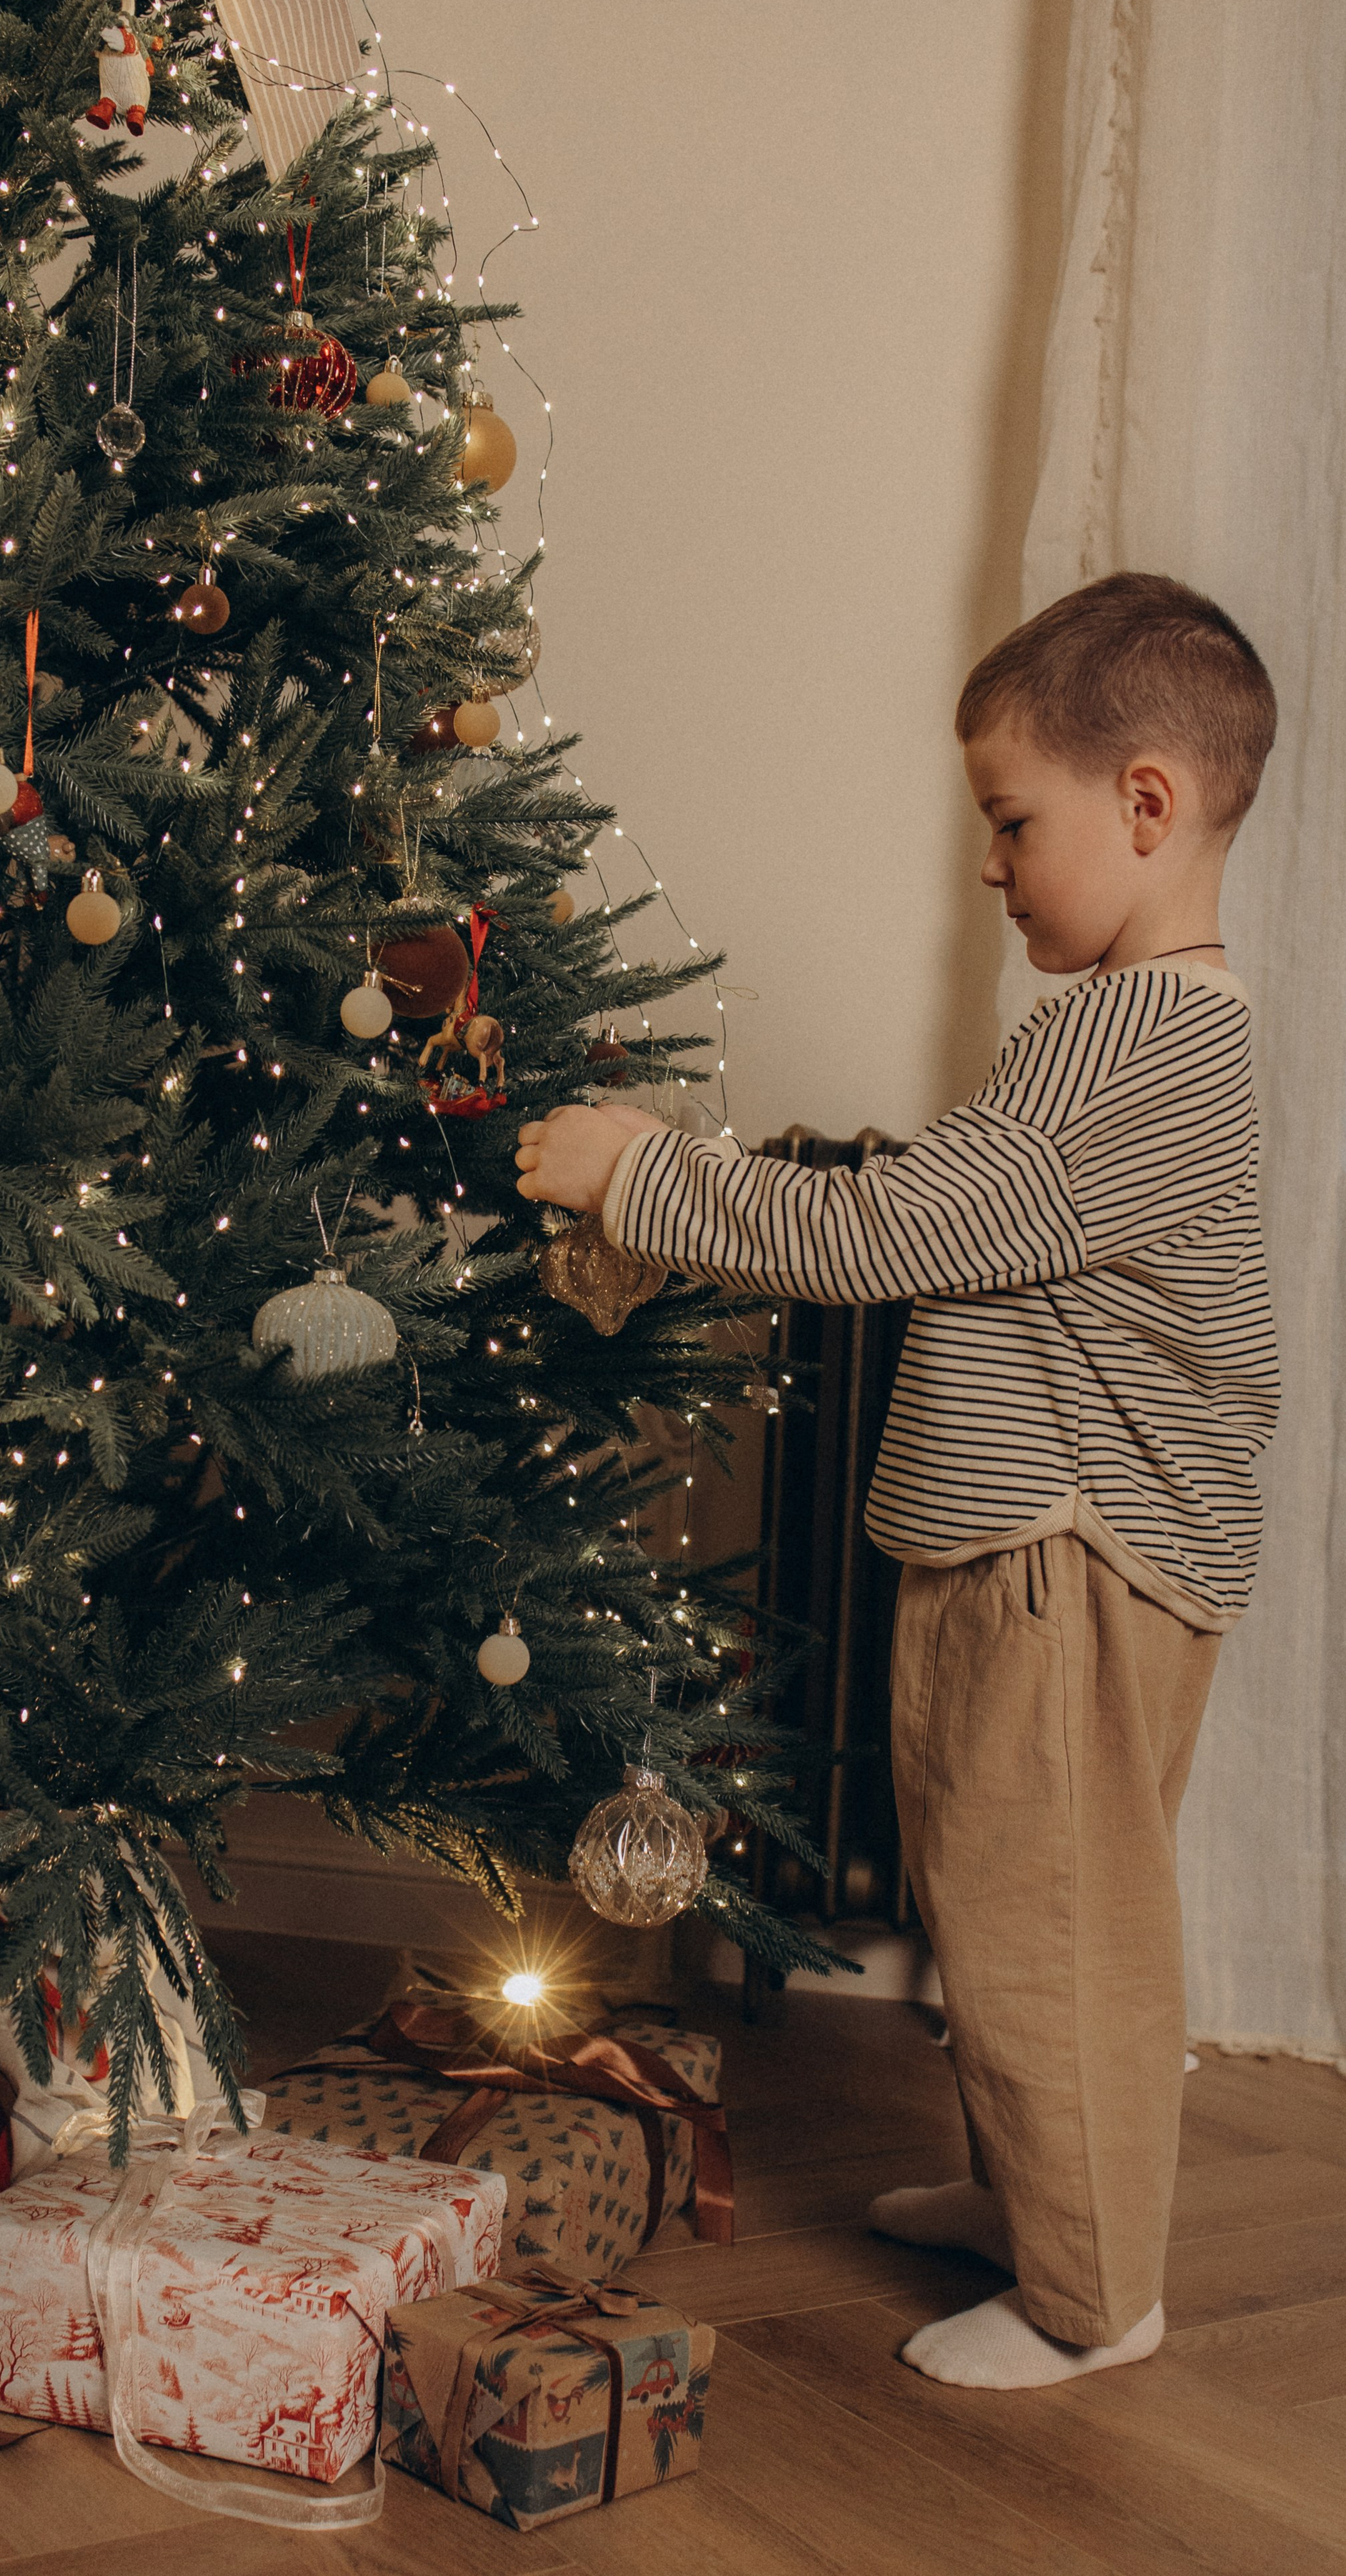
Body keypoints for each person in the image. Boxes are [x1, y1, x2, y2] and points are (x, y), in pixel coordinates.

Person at [516, 574, 1280, 2392]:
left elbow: (890, 1224)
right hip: (1024, 1541)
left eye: (1014, 823)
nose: (994, 869)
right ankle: (1039, 2196)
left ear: (1146, 803)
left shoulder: (1140, 1044)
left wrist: (641, 1177)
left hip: (1066, 1554)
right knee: (996, 1888)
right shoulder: (1124, 1029)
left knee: (1047, 1917)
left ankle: (1093, 2295)